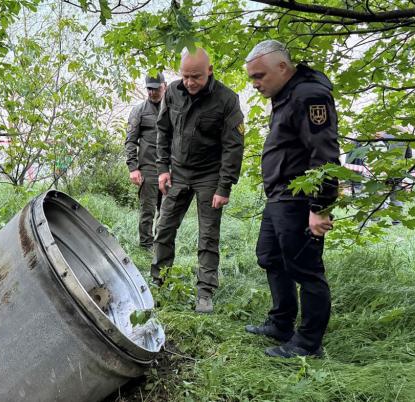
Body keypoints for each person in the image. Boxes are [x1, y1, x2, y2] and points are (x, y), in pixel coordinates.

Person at [244, 40, 340, 358]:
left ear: (282, 67)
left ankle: (308, 344)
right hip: (280, 196)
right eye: (252, 78)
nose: (256, 84)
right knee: (270, 256)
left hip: (300, 199)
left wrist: (320, 207)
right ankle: (281, 323)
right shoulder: (285, 94)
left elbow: (324, 154)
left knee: (306, 270)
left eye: (260, 76)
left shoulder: (309, 95)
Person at [151, 48, 245, 313]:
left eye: (197, 77)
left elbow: (233, 146)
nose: (190, 82)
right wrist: (162, 168)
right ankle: (159, 283)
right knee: (164, 228)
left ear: (210, 71)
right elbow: (163, 131)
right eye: (186, 76)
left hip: (209, 176)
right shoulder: (172, 92)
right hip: (178, 173)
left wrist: (224, 186)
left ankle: (204, 292)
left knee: (208, 236)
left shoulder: (226, 100)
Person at [125, 73, 166, 249]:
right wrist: (133, 168)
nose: (152, 92)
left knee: (166, 213)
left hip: (169, 170)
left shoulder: (173, 109)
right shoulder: (139, 111)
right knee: (147, 211)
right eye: (149, 88)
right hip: (148, 170)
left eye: (156, 88)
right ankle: (146, 246)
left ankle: (162, 245)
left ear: (164, 86)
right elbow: (130, 141)